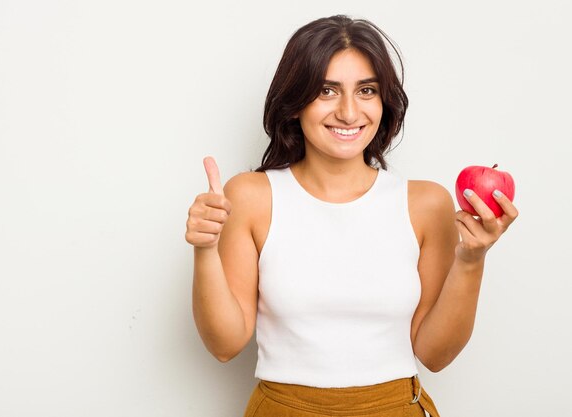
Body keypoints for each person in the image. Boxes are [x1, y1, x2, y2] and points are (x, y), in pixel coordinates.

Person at [185, 15, 518, 417]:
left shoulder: (426, 204)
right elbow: (224, 345)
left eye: (366, 90)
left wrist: (471, 260)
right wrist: (205, 250)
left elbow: (435, 354)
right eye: (327, 90)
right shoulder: (252, 196)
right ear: (295, 101)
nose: (348, 111)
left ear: (383, 102)